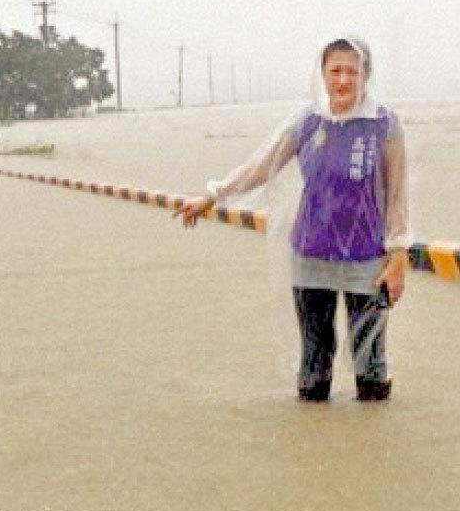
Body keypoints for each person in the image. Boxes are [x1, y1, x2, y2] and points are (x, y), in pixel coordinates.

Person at [174, 36, 412, 401]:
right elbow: (261, 167)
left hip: (367, 259)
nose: (343, 80)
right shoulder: (308, 123)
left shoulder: (384, 125)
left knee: (372, 373)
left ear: (366, 75)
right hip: (310, 254)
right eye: (335, 70)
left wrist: (398, 255)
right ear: (322, 74)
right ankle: (315, 430)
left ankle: (369, 432)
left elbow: (397, 194)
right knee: (314, 368)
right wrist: (211, 196)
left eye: (352, 71)